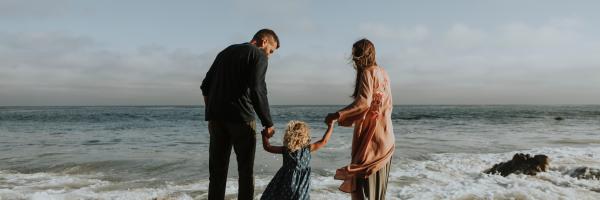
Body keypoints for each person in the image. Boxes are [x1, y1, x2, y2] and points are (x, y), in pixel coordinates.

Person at [200, 28, 280, 200]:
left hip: (216, 120)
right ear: (263, 42)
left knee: (217, 173)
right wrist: (268, 122)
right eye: (271, 51)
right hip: (241, 119)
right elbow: (257, 90)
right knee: (245, 172)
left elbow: (205, 86)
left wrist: (212, 112)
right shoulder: (258, 55)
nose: (269, 55)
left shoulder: (225, 52)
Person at [325, 38, 395, 200]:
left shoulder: (368, 72)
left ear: (358, 57)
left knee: (360, 189)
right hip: (387, 138)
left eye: (354, 56)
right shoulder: (384, 73)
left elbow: (363, 103)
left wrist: (337, 115)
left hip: (371, 140)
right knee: (375, 194)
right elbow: (387, 106)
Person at [260, 120, 334, 200]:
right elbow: (324, 141)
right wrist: (331, 126)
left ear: (288, 135)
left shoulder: (286, 150)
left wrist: (264, 136)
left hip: (285, 180)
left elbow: (268, 147)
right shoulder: (308, 149)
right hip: (302, 183)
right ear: (305, 136)